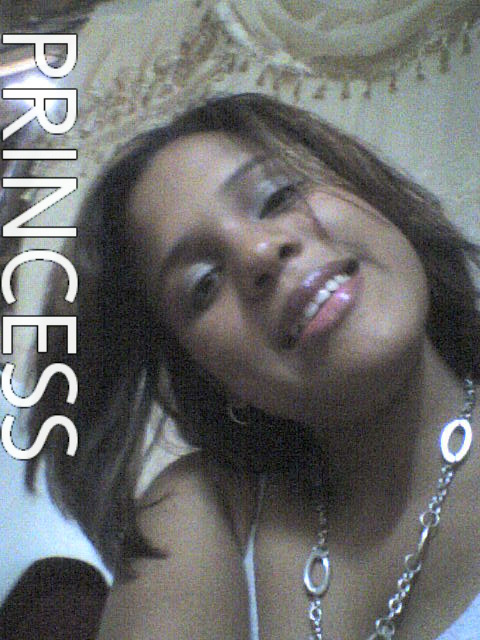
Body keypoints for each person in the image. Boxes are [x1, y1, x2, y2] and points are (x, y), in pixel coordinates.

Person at [27, 93, 479, 639]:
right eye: (203, 284)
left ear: (372, 198)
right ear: (209, 376)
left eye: (278, 197)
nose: (260, 251)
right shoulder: (207, 511)